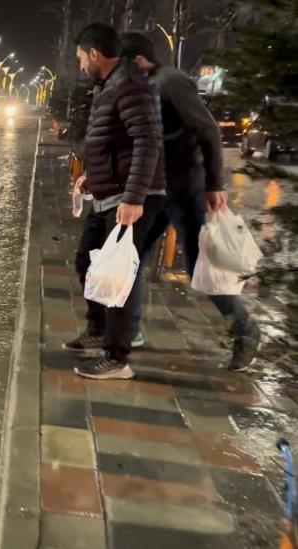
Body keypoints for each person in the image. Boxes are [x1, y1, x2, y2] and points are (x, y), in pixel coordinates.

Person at [120, 32, 261, 371]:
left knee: (202, 264)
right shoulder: (152, 83)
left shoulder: (170, 81)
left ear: (138, 60)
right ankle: (129, 330)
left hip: (186, 188)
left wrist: (215, 183)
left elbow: (208, 129)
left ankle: (246, 331)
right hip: (162, 187)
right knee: (131, 253)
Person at [65, 23, 167, 380]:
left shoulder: (130, 85)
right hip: (111, 192)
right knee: (87, 261)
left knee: (116, 275)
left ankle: (116, 357)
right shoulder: (110, 85)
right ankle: (98, 331)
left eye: (80, 58)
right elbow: (115, 142)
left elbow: (147, 141)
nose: (80, 66)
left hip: (131, 198)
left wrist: (135, 197)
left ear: (94, 55)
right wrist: (93, 177)